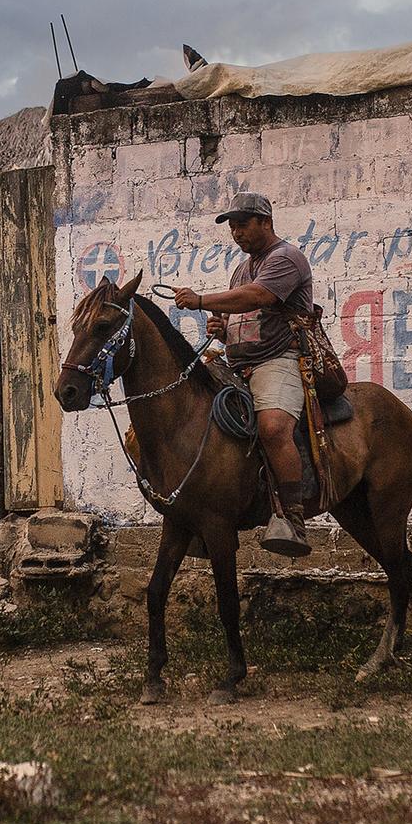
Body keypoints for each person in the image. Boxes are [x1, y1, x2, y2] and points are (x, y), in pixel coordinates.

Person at [173, 193, 315, 557]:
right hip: (237, 363)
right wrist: (223, 327)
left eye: (242, 224)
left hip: (277, 359)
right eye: (232, 226)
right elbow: (244, 312)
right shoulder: (242, 267)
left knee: (272, 427)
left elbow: (256, 297)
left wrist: (203, 300)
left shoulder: (286, 259)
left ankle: (293, 518)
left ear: (265, 222)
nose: (236, 233)